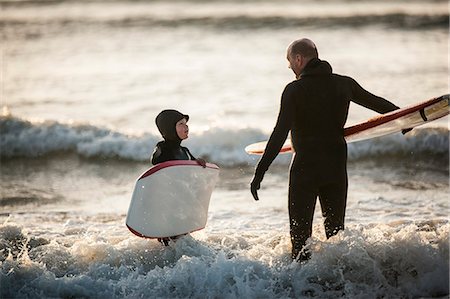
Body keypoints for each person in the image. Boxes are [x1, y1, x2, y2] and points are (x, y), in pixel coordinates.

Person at [250, 38, 400, 261]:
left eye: (289, 61)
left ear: (299, 59)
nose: (289, 66)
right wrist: (409, 120)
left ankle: (302, 291)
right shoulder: (344, 84)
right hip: (335, 168)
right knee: (336, 238)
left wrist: (259, 172)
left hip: (305, 172)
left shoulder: (294, 90)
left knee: (300, 243)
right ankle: (340, 288)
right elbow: (381, 107)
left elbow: (280, 133)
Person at [151, 109, 206, 245]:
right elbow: (155, 162)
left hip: (181, 201)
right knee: (169, 238)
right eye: (181, 123)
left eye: (186, 123)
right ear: (169, 129)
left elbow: (192, 171)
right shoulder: (162, 148)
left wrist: (197, 163)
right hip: (167, 202)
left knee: (181, 236)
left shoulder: (185, 151)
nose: (186, 126)